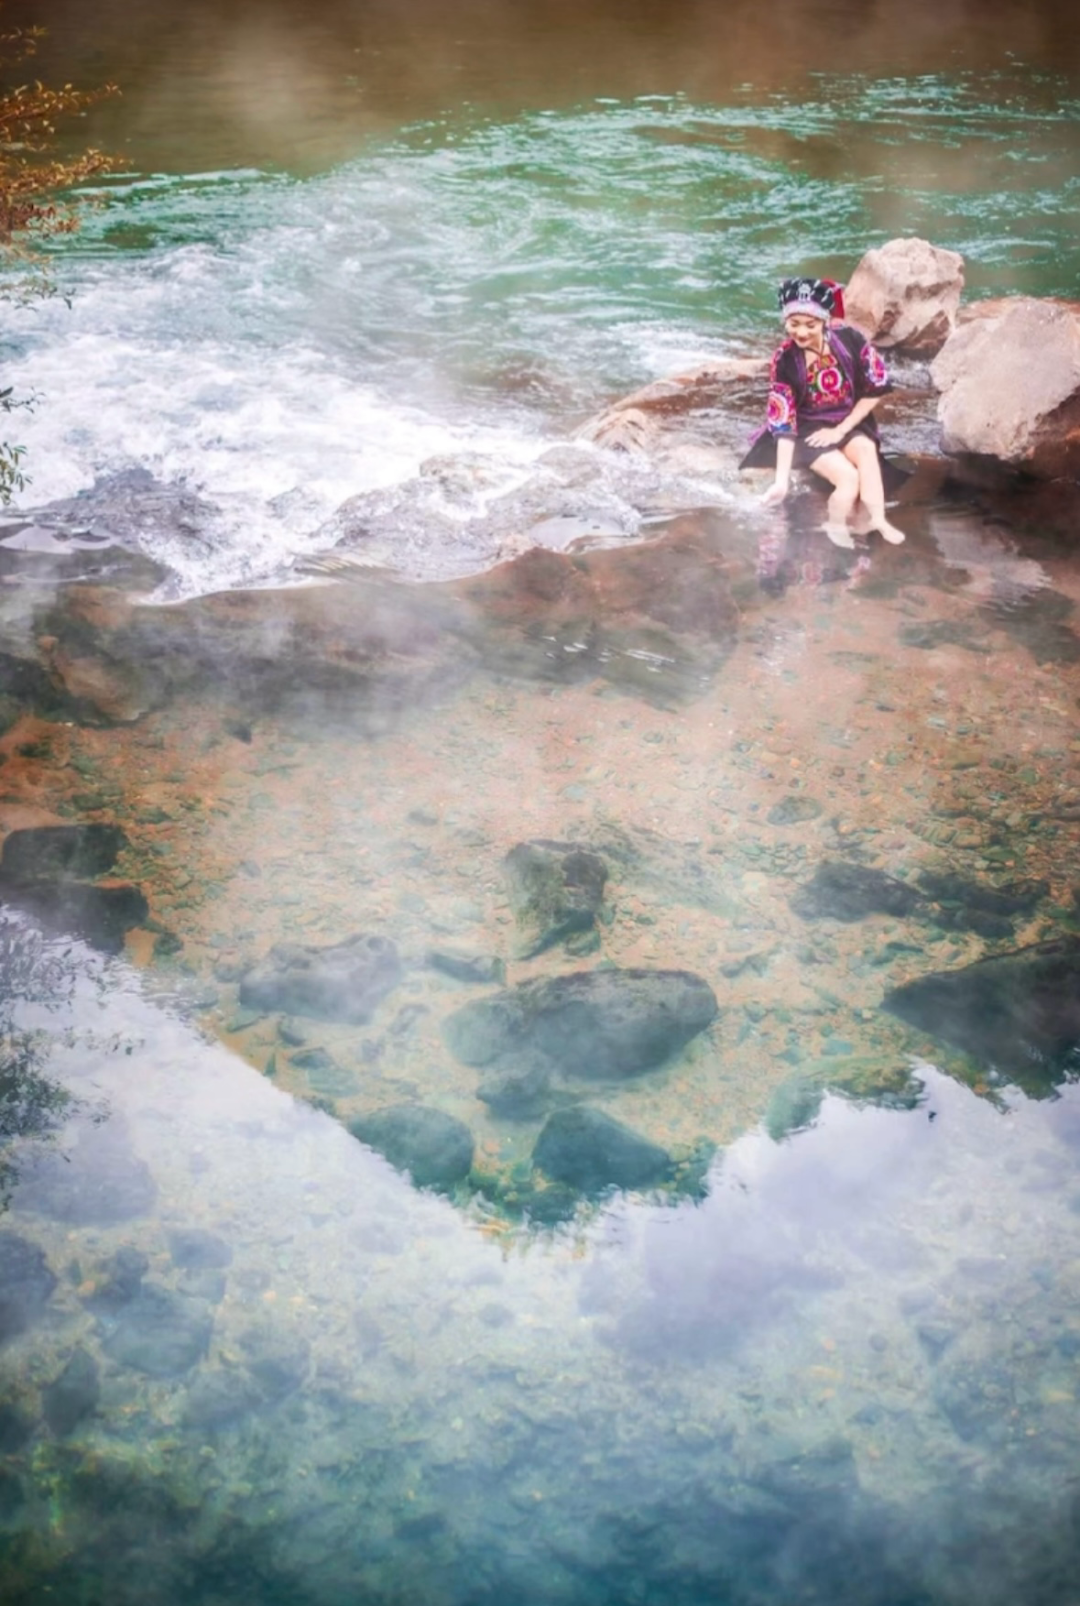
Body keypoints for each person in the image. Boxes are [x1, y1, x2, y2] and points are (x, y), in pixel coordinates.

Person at [740, 276, 906, 547]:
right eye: (793, 324)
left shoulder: (850, 339)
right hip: (807, 430)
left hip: (845, 422)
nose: (801, 333)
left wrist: (840, 430)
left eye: (810, 325)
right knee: (849, 478)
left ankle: (877, 518)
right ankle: (836, 524)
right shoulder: (784, 359)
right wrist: (781, 482)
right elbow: (783, 423)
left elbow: (876, 388)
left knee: (865, 448)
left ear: (825, 321)